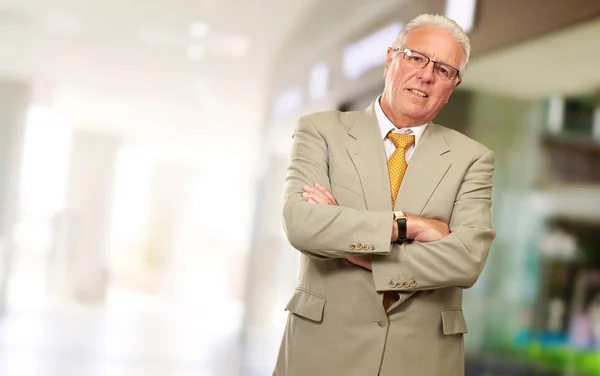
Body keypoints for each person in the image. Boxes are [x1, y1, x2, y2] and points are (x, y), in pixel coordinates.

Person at [274, 13, 496, 376]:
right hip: (323, 350)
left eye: (443, 70)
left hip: (421, 358)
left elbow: (467, 259)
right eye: (416, 57)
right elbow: (301, 224)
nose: (426, 74)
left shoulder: (473, 158)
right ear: (390, 59)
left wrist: (353, 241)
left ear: (452, 85)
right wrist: (408, 227)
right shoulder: (321, 130)